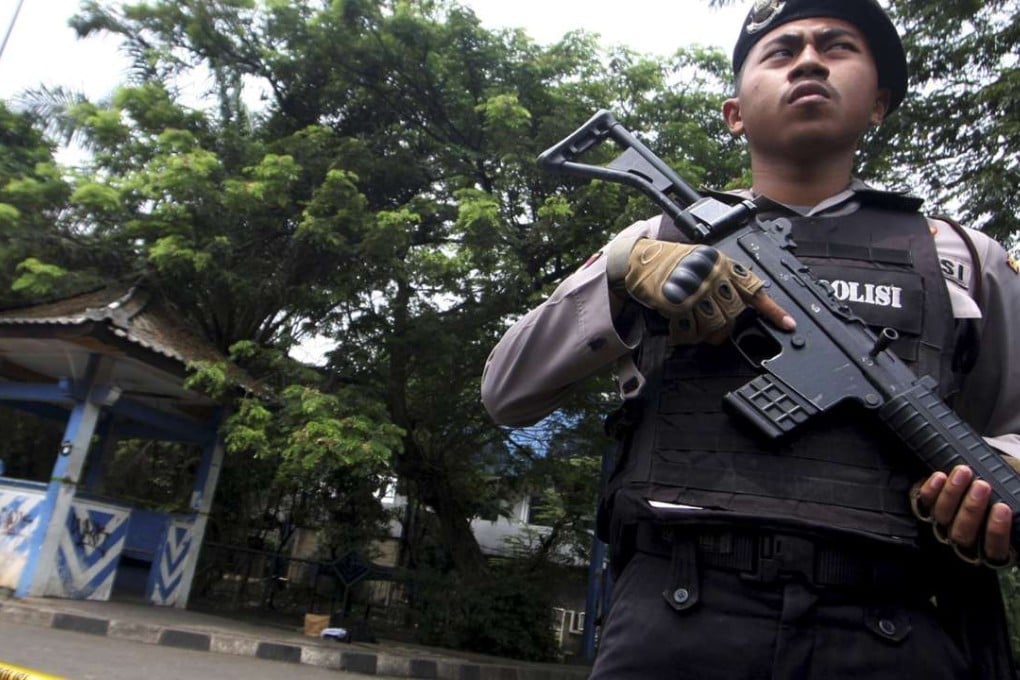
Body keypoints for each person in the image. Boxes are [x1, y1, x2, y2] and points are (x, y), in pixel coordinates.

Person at [480, 0, 1020, 677]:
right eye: (782, 50)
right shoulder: (658, 240)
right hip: (678, 611)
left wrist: (999, 470)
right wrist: (621, 281)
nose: (810, 61)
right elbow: (505, 391)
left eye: (836, 46)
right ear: (735, 112)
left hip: (893, 618)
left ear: (878, 104)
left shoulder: (964, 257)